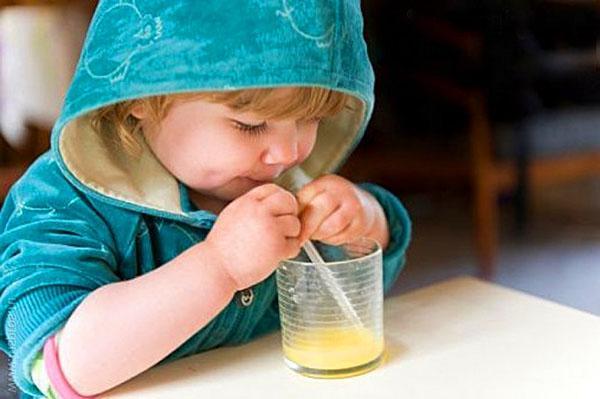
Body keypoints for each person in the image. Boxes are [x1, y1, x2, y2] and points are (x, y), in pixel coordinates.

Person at [0, 1, 411, 398]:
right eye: (251, 126)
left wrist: (362, 220)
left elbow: (351, 298)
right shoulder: (60, 202)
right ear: (141, 96)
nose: (288, 153)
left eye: (311, 119)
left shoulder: (281, 178)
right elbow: (59, 366)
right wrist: (219, 265)